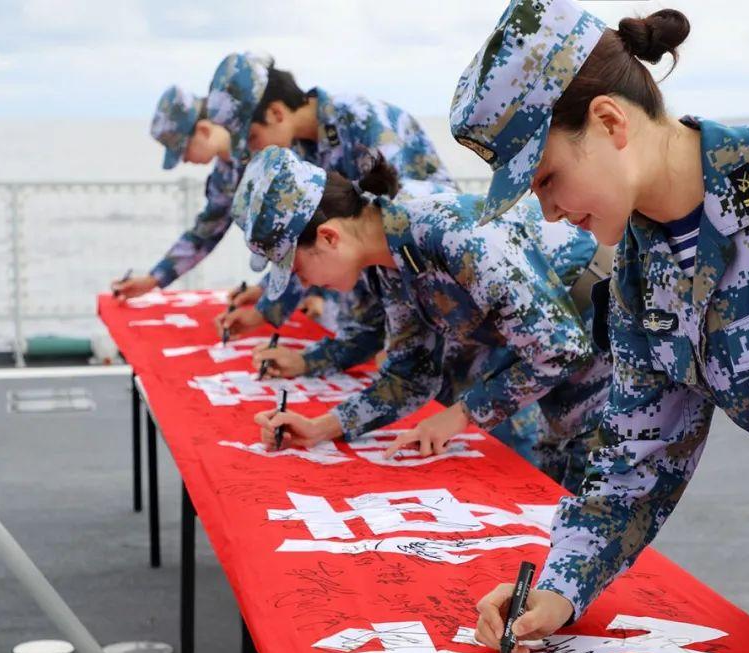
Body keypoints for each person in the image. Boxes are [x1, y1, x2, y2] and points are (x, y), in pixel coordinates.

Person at [451, 0, 749, 653]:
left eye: (546, 178)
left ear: (608, 121)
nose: (547, 211)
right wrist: (560, 586)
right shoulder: (641, 269)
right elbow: (637, 459)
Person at [233, 146, 611, 492]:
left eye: (298, 269)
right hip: (562, 352)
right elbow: (410, 375)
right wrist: (320, 428)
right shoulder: (391, 267)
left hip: (604, 342)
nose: (306, 283)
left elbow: (560, 348)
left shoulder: (450, 232)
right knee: (554, 504)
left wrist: (461, 414)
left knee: (586, 506)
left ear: (330, 237)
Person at [205, 52, 458, 338]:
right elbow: (305, 242)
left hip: (438, 281)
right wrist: (266, 304)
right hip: (387, 293)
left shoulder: (361, 119)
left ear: (276, 113)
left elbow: (385, 225)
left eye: (252, 138)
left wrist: (395, 341)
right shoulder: (300, 151)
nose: (255, 150)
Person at [111, 83, 241, 300]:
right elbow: (206, 232)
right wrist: (154, 279)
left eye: (184, 150)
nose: (185, 160)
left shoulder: (265, 146)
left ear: (203, 130)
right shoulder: (224, 175)